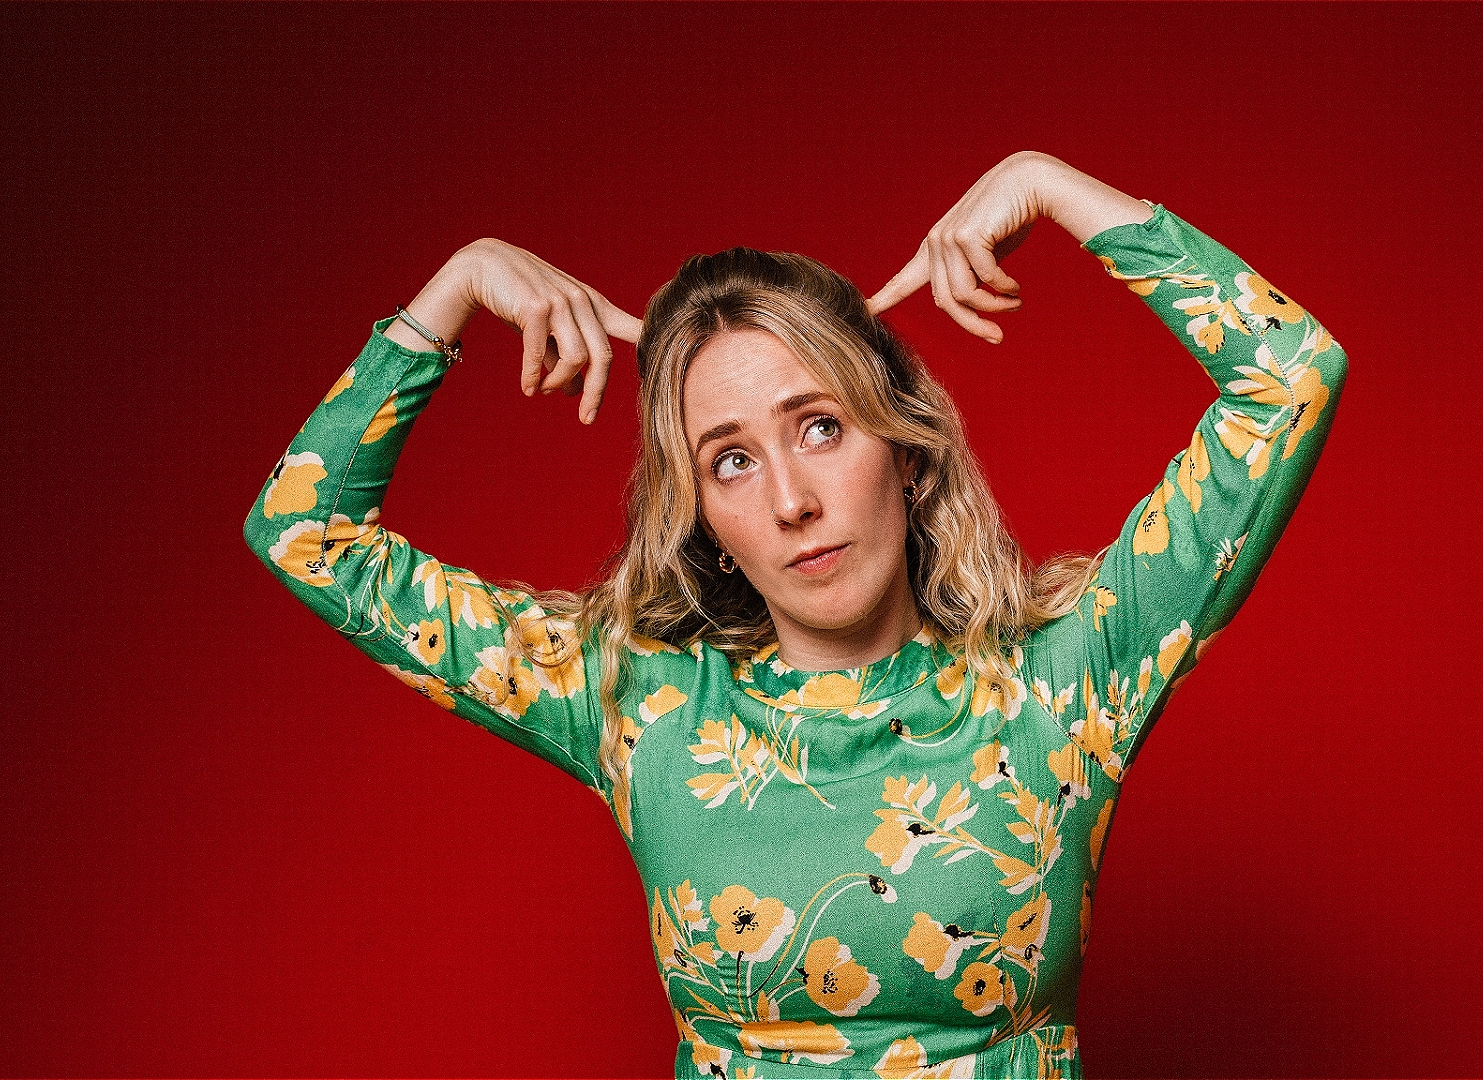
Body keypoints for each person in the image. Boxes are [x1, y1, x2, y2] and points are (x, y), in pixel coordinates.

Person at [244, 151, 1345, 1079]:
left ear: (904, 450)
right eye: (731, 459)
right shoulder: (641, 705)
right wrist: (457, 285)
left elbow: (1289, 374)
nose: (790, 499)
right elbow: (301, 530)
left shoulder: (1064, 681)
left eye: (819, 426)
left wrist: (1045, 183)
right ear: (702, 512)